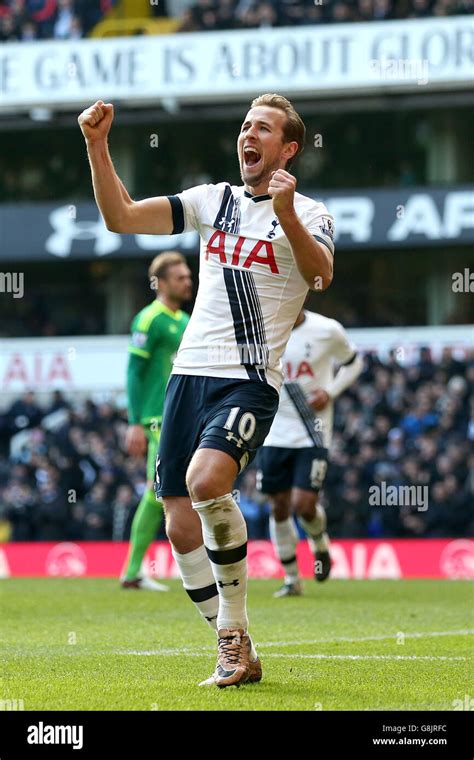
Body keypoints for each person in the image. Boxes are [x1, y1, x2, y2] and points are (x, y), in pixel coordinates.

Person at [78, 92, 334, 688]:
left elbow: (320, 274)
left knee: (206, 483)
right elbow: (120, 217)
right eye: (245, 125)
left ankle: (229, 639)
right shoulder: (209, 200)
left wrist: (287, 212)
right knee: (178, 523)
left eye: (263, 129)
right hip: (188, 377)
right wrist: (96, 145)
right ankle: (238, 647)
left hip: (248, 378)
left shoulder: (312, 212)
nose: (249, 135)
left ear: (288, 148)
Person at [257, 308, 363, 596]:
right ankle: (292, 579)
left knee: (304, 505)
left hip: (312, 431)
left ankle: (320, 544)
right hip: (273, 431)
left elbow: (354, 363)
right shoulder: (262, 327)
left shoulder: (327, 329)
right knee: (278, 506)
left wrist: (330, 391)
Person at [121, 252, 191, 590]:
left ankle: (134, 572)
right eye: (179, 277)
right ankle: (133, 570)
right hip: (156, 418)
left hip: (183, 417)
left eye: (188, 275)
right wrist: (134, 421)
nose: (187, 281)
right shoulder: (148, 319)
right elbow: (133, 372)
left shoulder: (187, 320)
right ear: (160, 283)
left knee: (165, 490)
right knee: (159, 490)